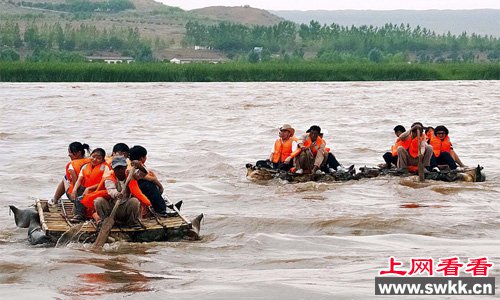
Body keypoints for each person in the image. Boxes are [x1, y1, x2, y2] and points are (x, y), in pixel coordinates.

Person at [93, 156, 147, 228]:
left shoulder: (131, 175)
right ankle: (104, 222)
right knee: (98, 201)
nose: (120, 171)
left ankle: (132, 223)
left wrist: (139, 166)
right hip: (112, 207)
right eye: (117, 168)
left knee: (135, 201)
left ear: (125, 167)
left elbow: (144, 174)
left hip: (125, 207)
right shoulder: (109, 178)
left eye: (121, 168)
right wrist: (117, 194)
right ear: (113, 168)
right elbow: (111, 190)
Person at [129, 145, 171, 216]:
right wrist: (160, 186)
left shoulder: (132, 164)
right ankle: (161, 210)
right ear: (142, 158)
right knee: (149, 185)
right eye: (145, 156)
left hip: (135, 188)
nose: (146, 158)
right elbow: (151, 179)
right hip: (134, 189)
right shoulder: (134, 167)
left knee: (150, 185)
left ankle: (157, 204)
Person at [70, 148, 109, 222]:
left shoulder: (105, 167)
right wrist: (74, 190)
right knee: (78, 189)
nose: (94, 159)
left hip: (99, 191)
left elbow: (104, 182)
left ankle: (94, 214)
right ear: (90, 156)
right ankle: (80, 215)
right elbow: (79, 180)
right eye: (93, 156)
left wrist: (89, 188)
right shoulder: (85, 166)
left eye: (98, 158)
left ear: (102, 160)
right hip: (86, 191)